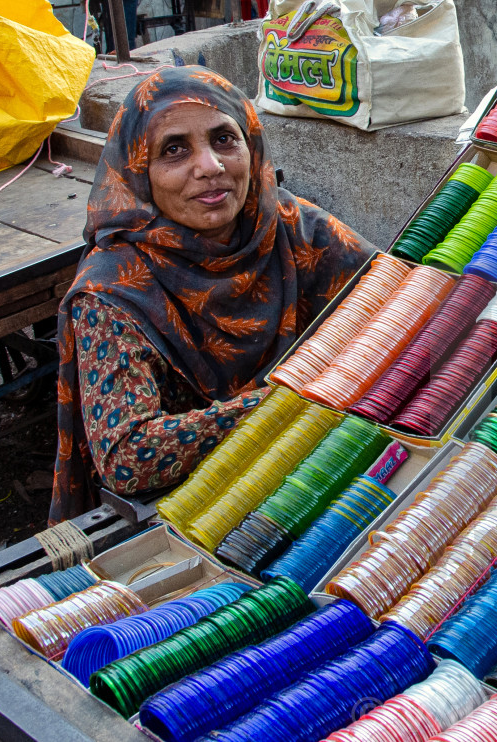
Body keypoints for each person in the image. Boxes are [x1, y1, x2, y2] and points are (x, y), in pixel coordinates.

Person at [50, 66, 372, 523]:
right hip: (199, 511)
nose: (210, 166)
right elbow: (128, 455)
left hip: (324, 466)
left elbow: (399, 299)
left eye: (224, 139)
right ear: (140, 172)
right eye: (175, 149)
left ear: (251, 144)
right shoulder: (113, 290)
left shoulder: (288, 225)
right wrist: (290, 404)